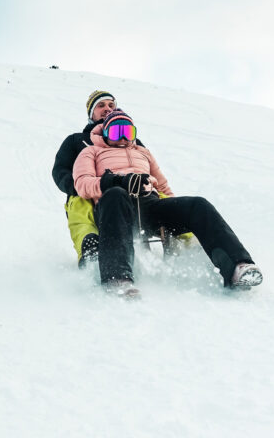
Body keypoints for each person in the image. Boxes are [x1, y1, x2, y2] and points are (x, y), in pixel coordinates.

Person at [73, 109, 262, 297]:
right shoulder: (91, 152)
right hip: (115, 207)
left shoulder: (143, 152)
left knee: (198, 205)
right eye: (116, 132)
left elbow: (162, 186)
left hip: (149, 204)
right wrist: (116, 181)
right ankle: (117, 279)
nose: (123, 137)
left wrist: (176, 208)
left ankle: (238, 266)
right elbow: (82, 184)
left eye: (128, 132)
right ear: (105, 132)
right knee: (116, 194)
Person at [52, 90, 127, 267]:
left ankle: (188, 240)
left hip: (126, 189)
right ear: (91, 113)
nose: (107, 109)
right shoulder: (77, 141)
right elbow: (60, 169)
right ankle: (89, 247)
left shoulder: (129, 139)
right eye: (101, 105)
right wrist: (77, 186)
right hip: (87, 190)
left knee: (160, 194)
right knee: (79, 203)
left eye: (111, 105)